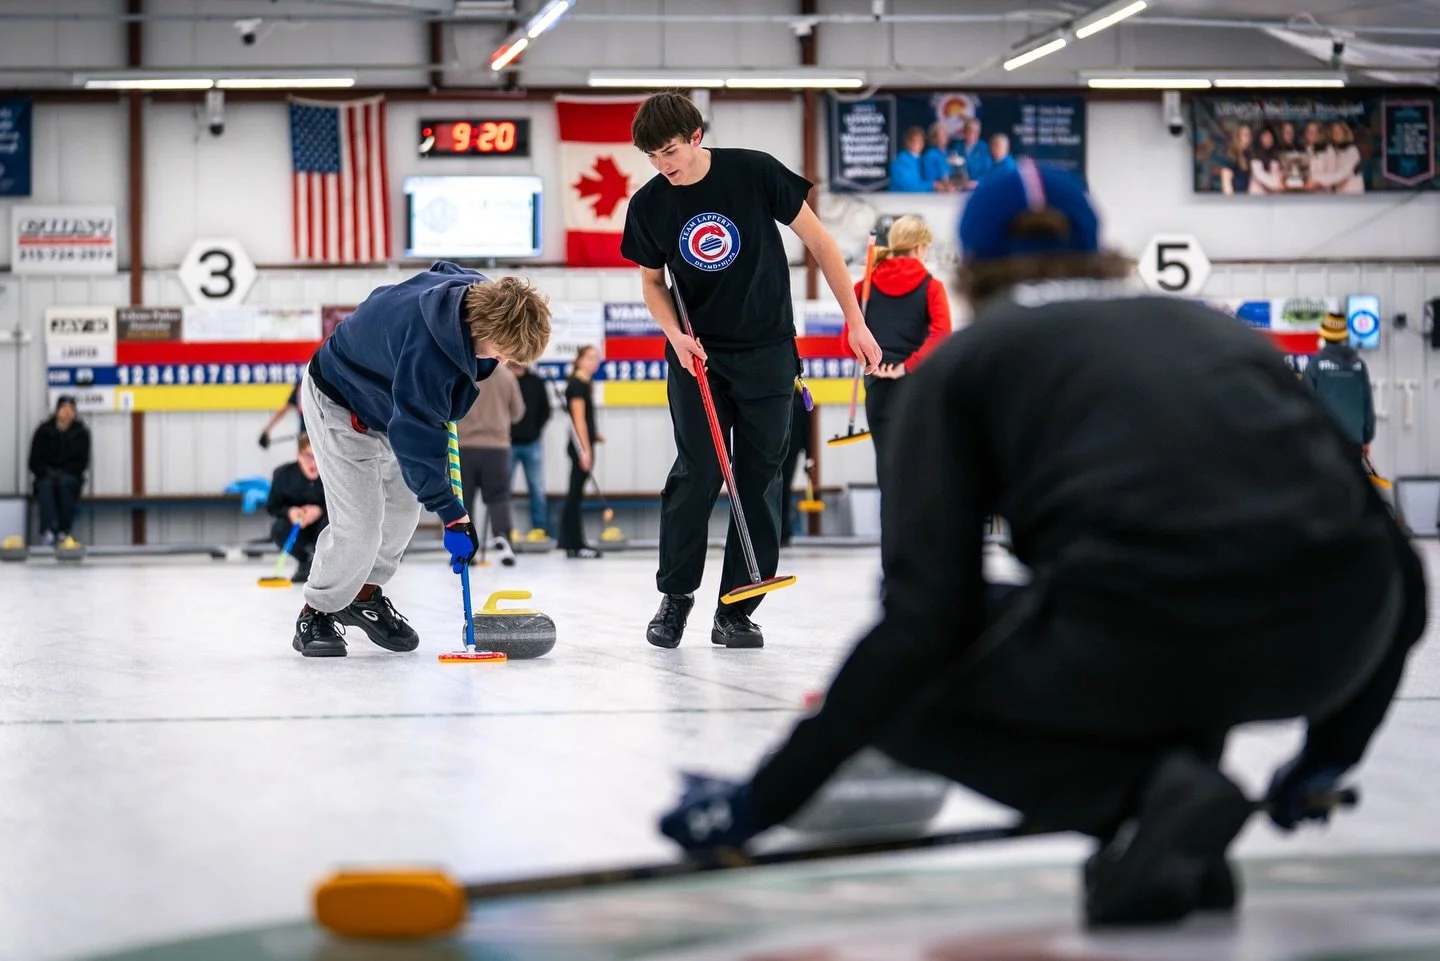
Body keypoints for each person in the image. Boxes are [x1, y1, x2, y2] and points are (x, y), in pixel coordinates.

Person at [655, 160, 1426, 929]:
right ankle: (1177, 833)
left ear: (975, 268)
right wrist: (1331, 751)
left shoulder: (969, 370)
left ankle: (1137, 803)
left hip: (1150, 635)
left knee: (929, 675)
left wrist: (760, 801)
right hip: (1332, 639)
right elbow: (1396, 563)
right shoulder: (1221, 336)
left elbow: (927, 624)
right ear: (1103, 249)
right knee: (1151, 593)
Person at [620, 89, 882, 650]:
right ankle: (677, 596)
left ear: (696, 137)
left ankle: (737, 608)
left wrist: (854, 321)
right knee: (698, 473)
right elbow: (651, 281)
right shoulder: (649, 205)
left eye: (670, 151)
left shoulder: (754, 172)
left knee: (760, 478)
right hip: (697, 357)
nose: (663, 166)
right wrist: (674, 335)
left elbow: (822, 244)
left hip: (767, 352)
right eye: (652, 157)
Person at [292, 262, 551, 657]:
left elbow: (443, 268)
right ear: (483, 332)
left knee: (403, 511)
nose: (501, 362)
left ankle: (363, 594)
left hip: (386, 393)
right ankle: (318, 610)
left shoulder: (476, 294)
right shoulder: (429, 354)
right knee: (360, 523)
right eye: (502, 354)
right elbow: (415, 436)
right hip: (341, 399)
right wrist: (452, 513)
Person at [842, 214, 952, 502]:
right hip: (917, 387)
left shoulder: (863, 287)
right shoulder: (931, 286)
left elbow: (846, 342)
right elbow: (942, 334)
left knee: (887, 467)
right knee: (920, 465)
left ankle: (891, 541)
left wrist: (872, 363)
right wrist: (907, 366)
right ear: (918, 248)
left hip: (876, 387)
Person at [456, 358, 526, 567]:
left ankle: (465, 549)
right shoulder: (506, 376)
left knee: (463, 500)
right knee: (498, 497)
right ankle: (503, 539)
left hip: (464, 447)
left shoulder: (462, 371)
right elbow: (518, 412)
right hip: (496, 448)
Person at [1302, 312, 1375, 462]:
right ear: (1343, 337)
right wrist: (1366, 438)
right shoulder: (1359, 366)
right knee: (1350, 484)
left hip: (1325, 441)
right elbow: (1367, 404)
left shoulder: (1315, 366)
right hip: (1354, 440)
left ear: (1323, 335)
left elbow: (1305, 404)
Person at [557, 345, 603, 560]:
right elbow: (578, 419)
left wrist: (595, 436)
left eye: (597, 358)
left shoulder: (584, 383)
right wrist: (585, 449)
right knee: (574, 495)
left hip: (585, 445)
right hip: (580, 448)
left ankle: (572, 542)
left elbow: (587, 419)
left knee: (575, 494)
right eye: (591, 358)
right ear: (580, 359)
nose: (595, 362)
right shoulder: (576, 384)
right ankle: (574, 543)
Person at [28, 394, 90, 545]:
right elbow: (33, 461)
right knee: (46, 485)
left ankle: (64, 531)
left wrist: (64, 472)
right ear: (57, 410)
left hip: (70, 476)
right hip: (45, 475)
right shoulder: (43, 431)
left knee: (65, 484)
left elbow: (82, 463)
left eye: (71, 409)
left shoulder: (81, 433)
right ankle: (48, 531)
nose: (67, 412)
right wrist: (46, 472)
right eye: (64, 408)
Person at [266, 432, 327, 583]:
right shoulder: (283, 475)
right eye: (308, 456)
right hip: (298, 527)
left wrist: (320, 511)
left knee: (332, 526)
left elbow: (345, 505)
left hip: (324, 527)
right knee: (279, 529)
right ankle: (305, 561)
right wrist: (289, 512)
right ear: (298, 455)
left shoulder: (332, 474)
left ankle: (325, 565)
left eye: (317, 455)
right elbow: (273, 506)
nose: (313, 463)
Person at [508, 361, 553, 538]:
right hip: (507, 442)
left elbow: (546, 410)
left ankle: (540, 528)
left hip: (532, 442)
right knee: (503, 490)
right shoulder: (502, 378)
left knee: (537, 487)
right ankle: (505, 530)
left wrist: (535, 430)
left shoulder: (536, 381)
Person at [778, 382, 812, 548]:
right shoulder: (776, 397)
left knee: (785, 491)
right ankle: (776, 532)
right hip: (775, 450)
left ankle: (784, 532)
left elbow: (807, 429)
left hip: (792, 451)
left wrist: (809, 457)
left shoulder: (800, 398)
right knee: (774, 490)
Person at [259, 383, 302, 449]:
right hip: (308, 435)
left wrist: (266, 430)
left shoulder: (302, 385)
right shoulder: (302, 385)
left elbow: (283, 410)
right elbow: (284, 409)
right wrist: (266, 430)